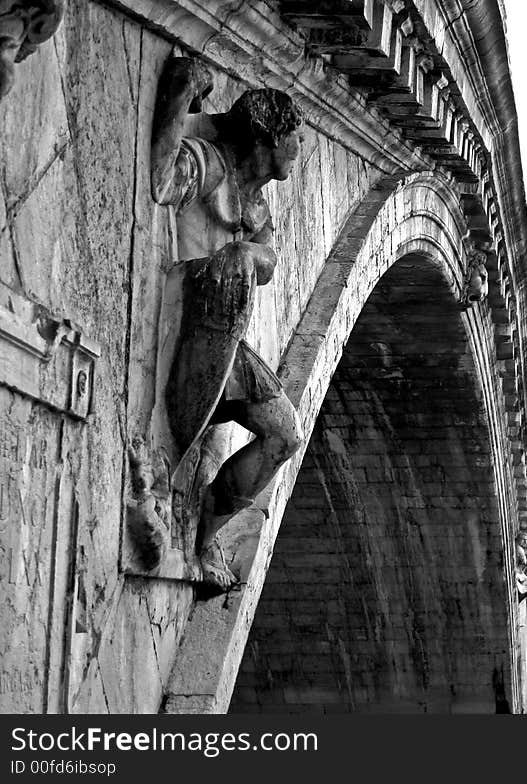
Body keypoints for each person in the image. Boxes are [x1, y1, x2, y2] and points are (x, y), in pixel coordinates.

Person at [150, 57, 304, 589]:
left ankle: (205, 529)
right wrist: (179, 96)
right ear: (267, 139)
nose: (298, 150)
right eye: (293, 139)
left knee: (285, 435)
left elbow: (268, 260)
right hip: (192, 320)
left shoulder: (256, 205)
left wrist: (252, 253)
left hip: (226, 339)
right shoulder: (209, 166)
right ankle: (168, 483)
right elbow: (162, 180)